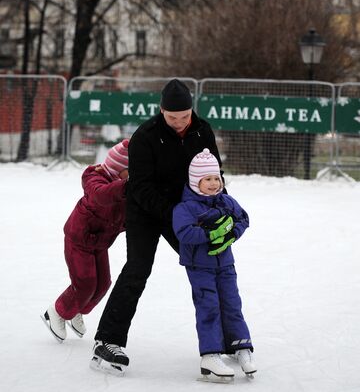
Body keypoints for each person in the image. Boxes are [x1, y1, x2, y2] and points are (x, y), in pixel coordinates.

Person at [91, 78, 223, 375]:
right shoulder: (145, 136)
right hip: (146, 211)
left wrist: (218, 205)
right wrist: (175, 213)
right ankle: (107, 341)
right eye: (172, 117)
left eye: (184, 116)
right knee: (137, 269)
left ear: (192, 110)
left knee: (207, 264)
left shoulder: (203, 130)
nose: (178, 123)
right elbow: (140, 187)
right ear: (161, 110)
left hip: (186, 211)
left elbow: (213, 171)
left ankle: (221, 339)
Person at [172, 148, 256, 382]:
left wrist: (231, 235)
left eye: (216, 178)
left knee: (232, 303)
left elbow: (243, 218)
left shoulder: (226, 201)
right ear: (196, 181)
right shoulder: (185, 208)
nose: (213, 183)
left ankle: (241, 346)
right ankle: (210, 354)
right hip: (200, 267)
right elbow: (184, 233)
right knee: (208, 306)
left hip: (226, 264)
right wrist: (211, 233)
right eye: (207, 179)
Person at [42, 139, 129, 342]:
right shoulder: (95, 178)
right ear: (118, 170)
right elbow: (102, 196)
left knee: (103, 284)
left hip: (100, 243)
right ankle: (57, 311)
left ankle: (77, 309)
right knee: (85, 284)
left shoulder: (126, 189)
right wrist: (127, 187)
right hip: (79, 239)